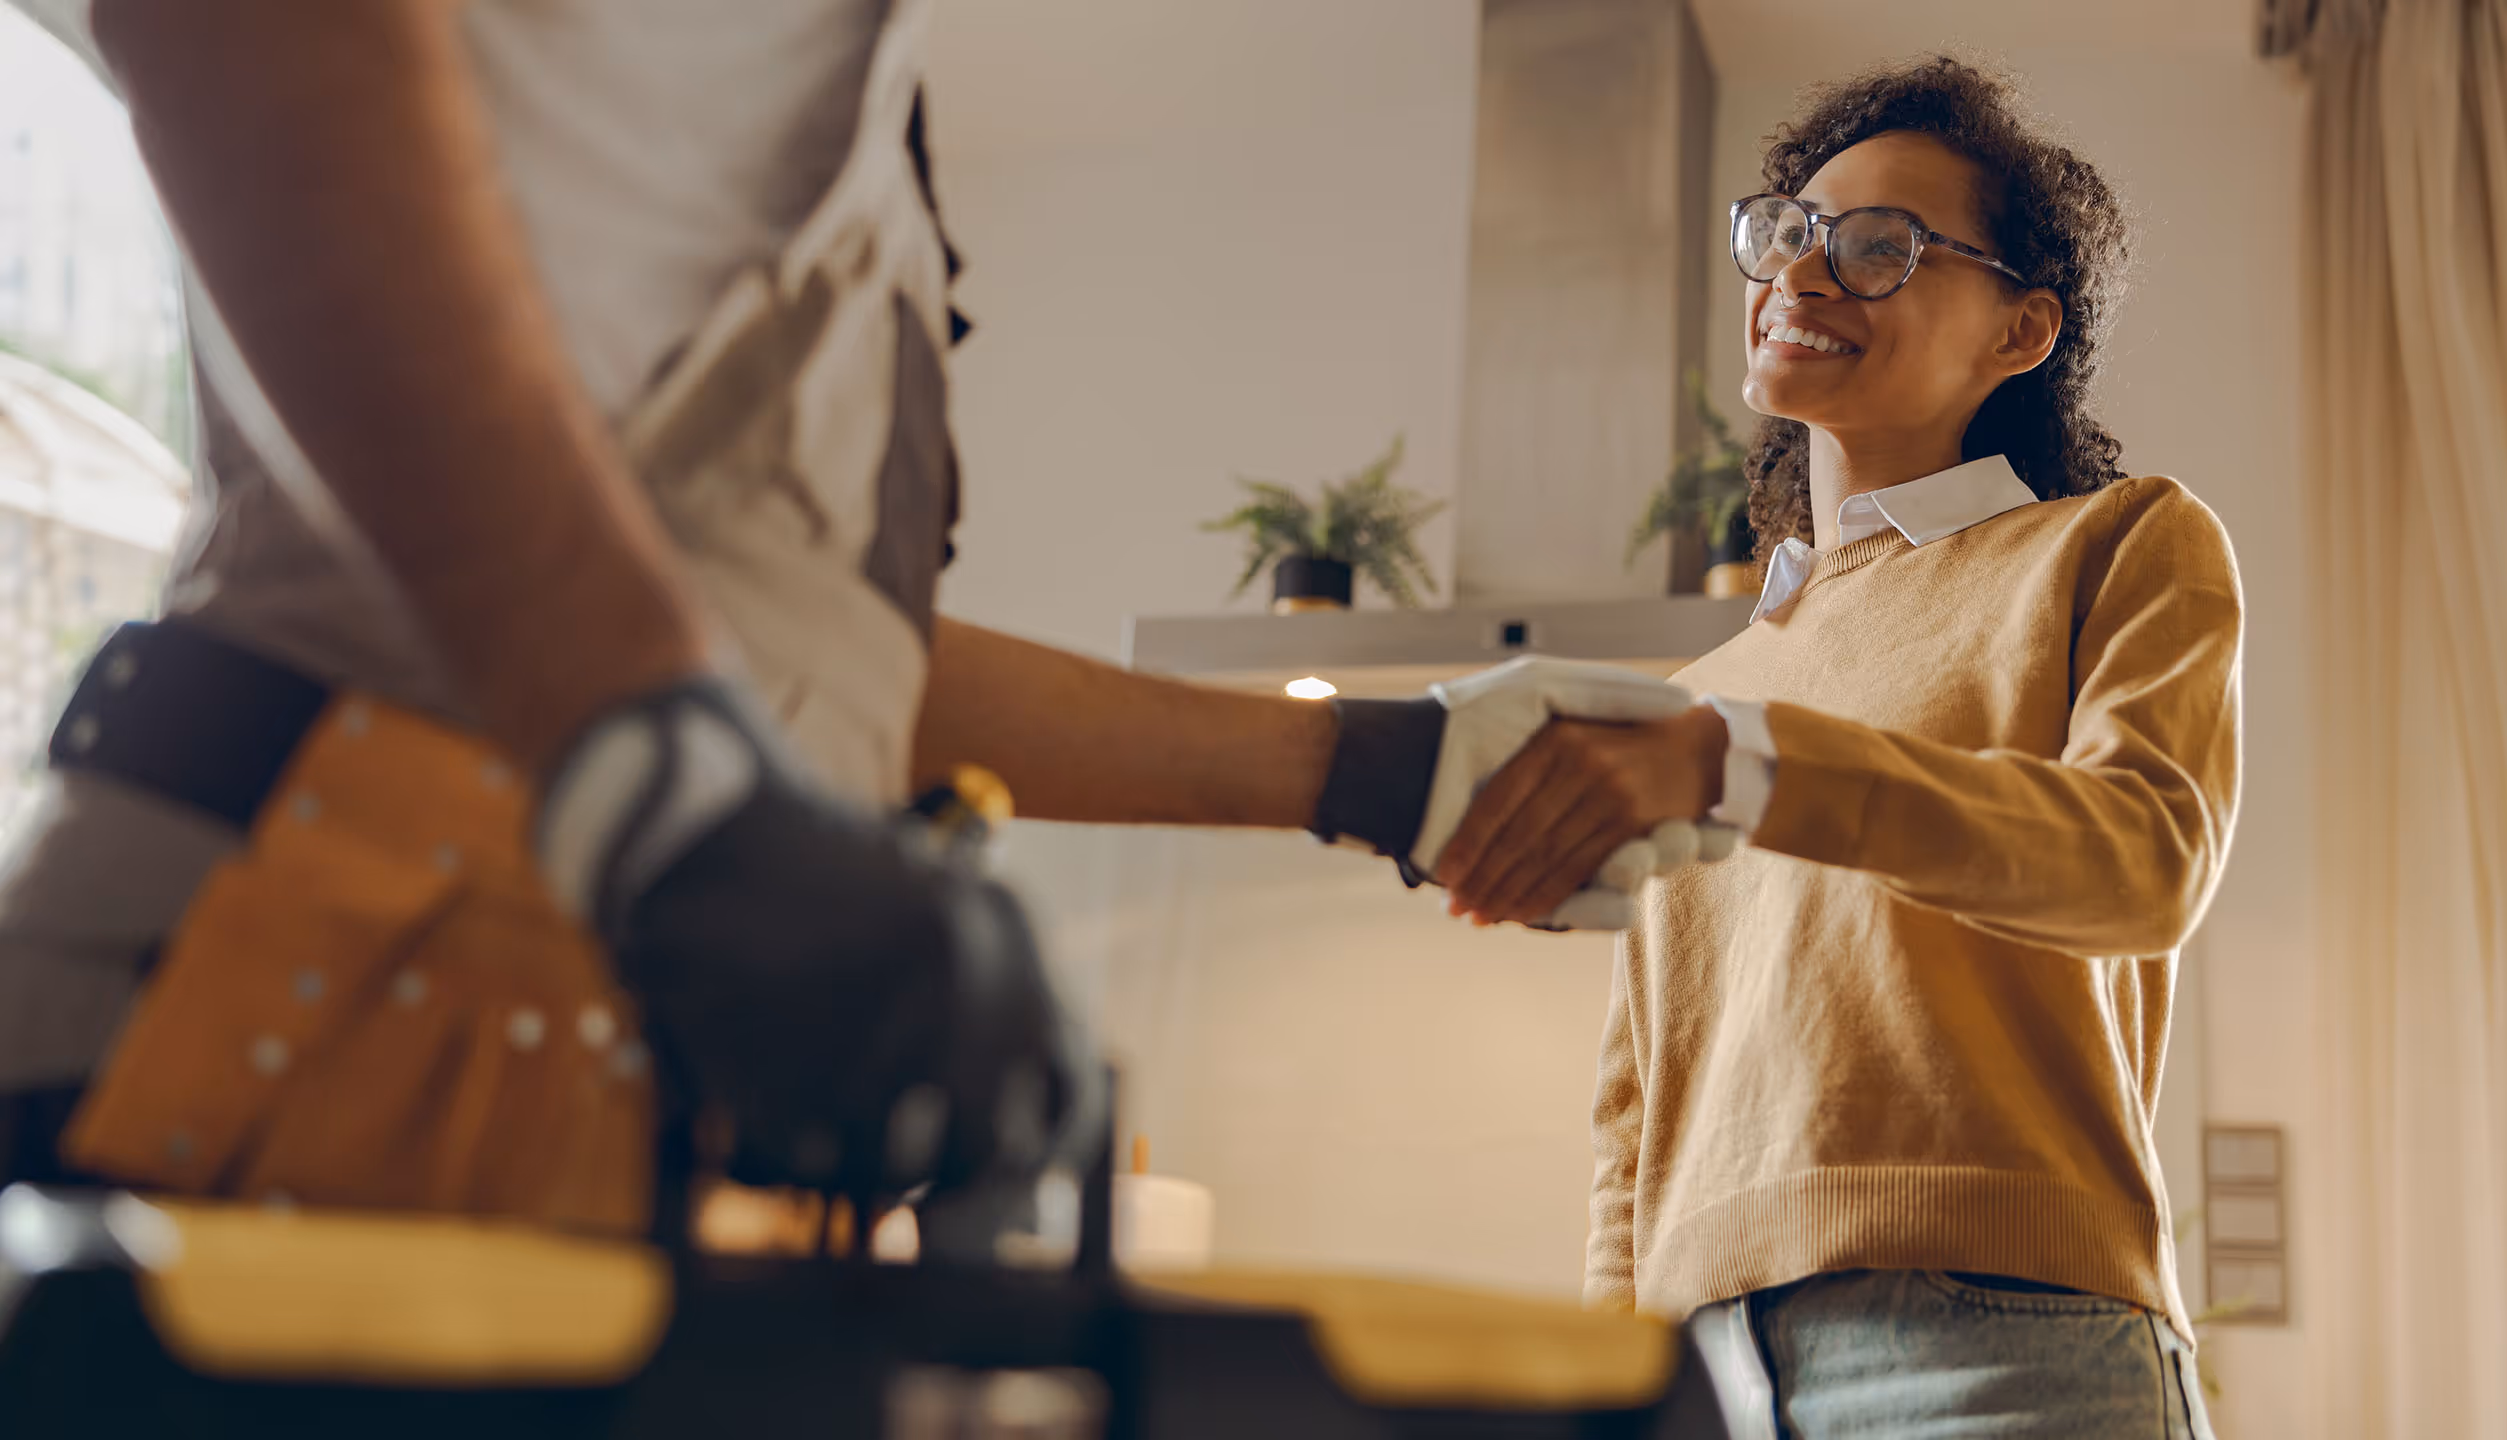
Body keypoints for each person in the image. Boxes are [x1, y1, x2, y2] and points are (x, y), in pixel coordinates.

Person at [0, 0, 1704, 1231]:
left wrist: (1373, 770)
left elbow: (786, 650)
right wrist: (666, 783)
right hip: (286, 984)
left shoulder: (859, 118)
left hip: (540, 1065)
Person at [1431, 59, 2234, 1438]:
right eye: (1791, 234)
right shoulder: (1710, 692)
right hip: (1704, 1371)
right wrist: (1616, 1373)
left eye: (1881, 250)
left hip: (2003, 1355)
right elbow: (1638, 1112)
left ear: (2020, 330)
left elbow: (2143, 862)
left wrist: (1741, 764)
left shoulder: (2114, 545)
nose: (1807, 277)